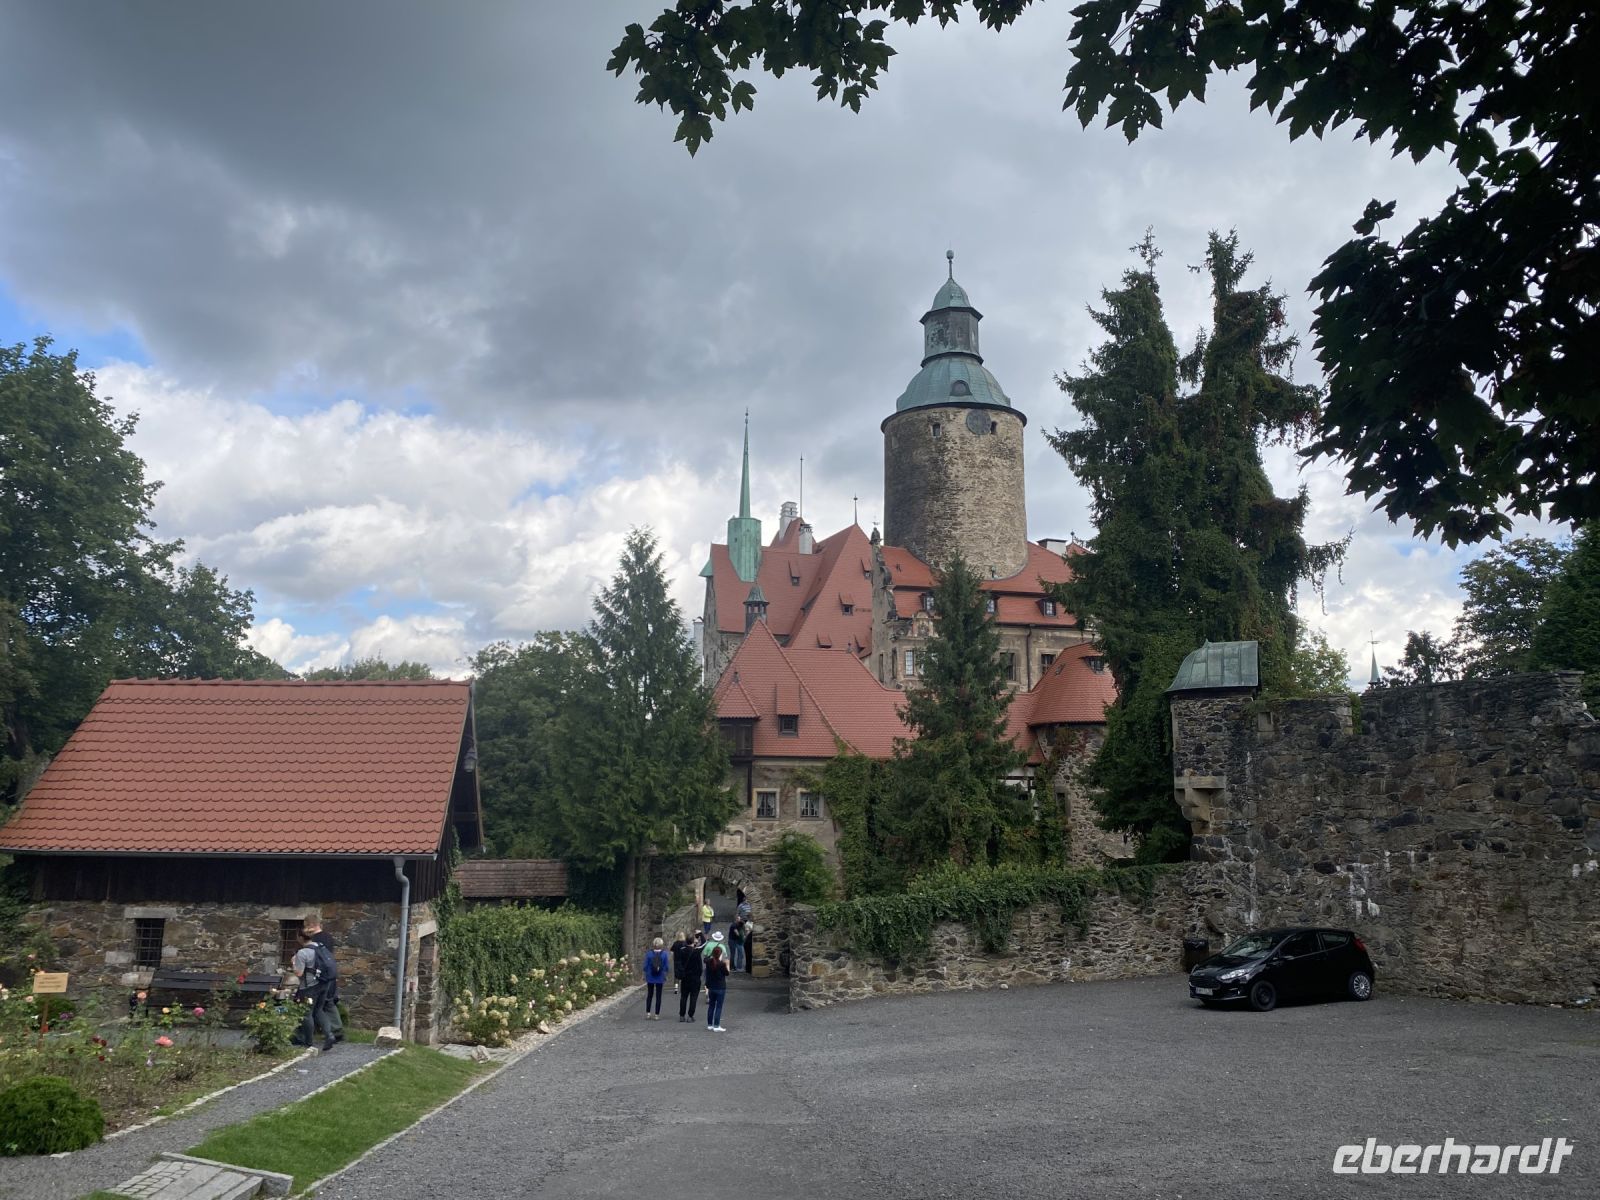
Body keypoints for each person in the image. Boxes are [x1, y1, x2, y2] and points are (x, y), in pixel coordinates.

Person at [288, 929, 336, 1052]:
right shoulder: (320, 947)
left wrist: (293, 963)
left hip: (309, 987)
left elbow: (299, 973)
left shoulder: (302, 953)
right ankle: (329, 1035)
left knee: (307, 1013)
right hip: (324, 983)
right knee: (319, 1010)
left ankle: (308, 1042)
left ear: (300, 938)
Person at [303, 917, 344, 1043]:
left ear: (311, 925)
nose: (305, 929)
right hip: (330, 973)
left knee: (318, 1004)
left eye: (305, 926)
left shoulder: (315, 940)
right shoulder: (328, 937)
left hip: (320, 975)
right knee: (328, 1002)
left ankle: (326, 1032)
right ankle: (336, 1030)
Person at [677, 932, 704, 1022]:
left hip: (685, 977)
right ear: (693, 941)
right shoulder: (696, 952)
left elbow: (679, 963)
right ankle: (690, 1015)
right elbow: (700, 966)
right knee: (693, 997)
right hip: (695, 977)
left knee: (684, 996)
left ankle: (682, 1015)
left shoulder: (682, 951)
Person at [704, 944, 730, 1032]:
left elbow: (705, 959)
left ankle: (710, 1024)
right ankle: (716, 1025)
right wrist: (727, 965)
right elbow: (727, 973)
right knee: (718, 1007)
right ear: (720, 954)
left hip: (711, 987)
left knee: (711, 1006)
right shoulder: (721, 964)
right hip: (720, 987)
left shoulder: (709, 962)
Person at [642, 937, 670, 1019]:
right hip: (660, 976)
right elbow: (666, 967)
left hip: (650, 976)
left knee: (649, 995)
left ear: (653, 944)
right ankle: (657, 1014)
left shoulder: (649, 954)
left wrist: (645, 974)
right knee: (658, 996)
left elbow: (645, 966)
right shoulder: (664, 954)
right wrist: (665, 974)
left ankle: (648, 1013)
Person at [668, 929, 690, 994]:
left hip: (677, 961)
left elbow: (671, 951)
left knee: (676, 974)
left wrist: (674, 957)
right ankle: (684, 987)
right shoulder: (685, 943)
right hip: (684, 961)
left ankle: (676, 988)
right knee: (684, 973)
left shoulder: (675, 943)